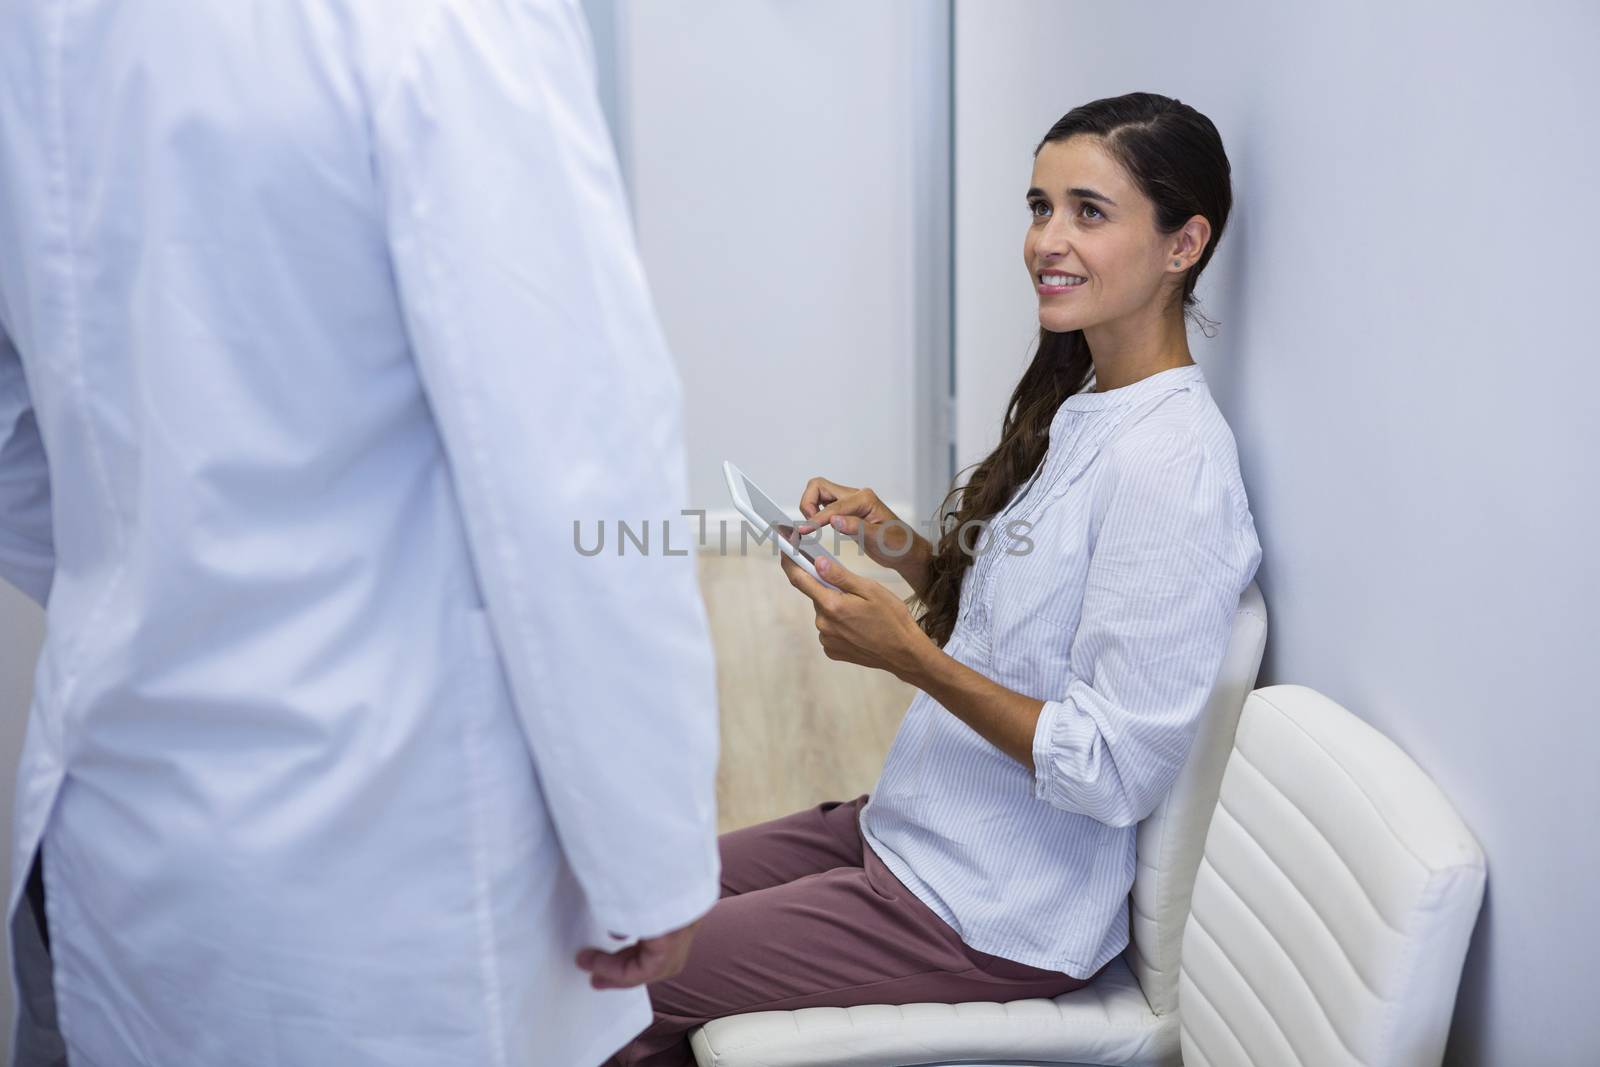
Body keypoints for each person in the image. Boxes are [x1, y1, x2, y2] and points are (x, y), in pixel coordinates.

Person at [0, 1, 718, 1064]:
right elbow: (579, 461)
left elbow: (18, 438)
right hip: (388, 873)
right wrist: (650, 853)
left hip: (121, 825)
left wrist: (165, 582)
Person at [607, 91, 1263, 1066]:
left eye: (1089, 211)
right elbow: (1021, 616)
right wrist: (899, 543)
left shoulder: (1171, 471)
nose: (1047, 238)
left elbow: (1109, 768)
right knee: (621, 900)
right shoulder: (1091, 404)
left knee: (618, 968)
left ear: (1183, 243)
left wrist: (910, 657)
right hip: (909, 825)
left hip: (985, 907)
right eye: (1039, 206)